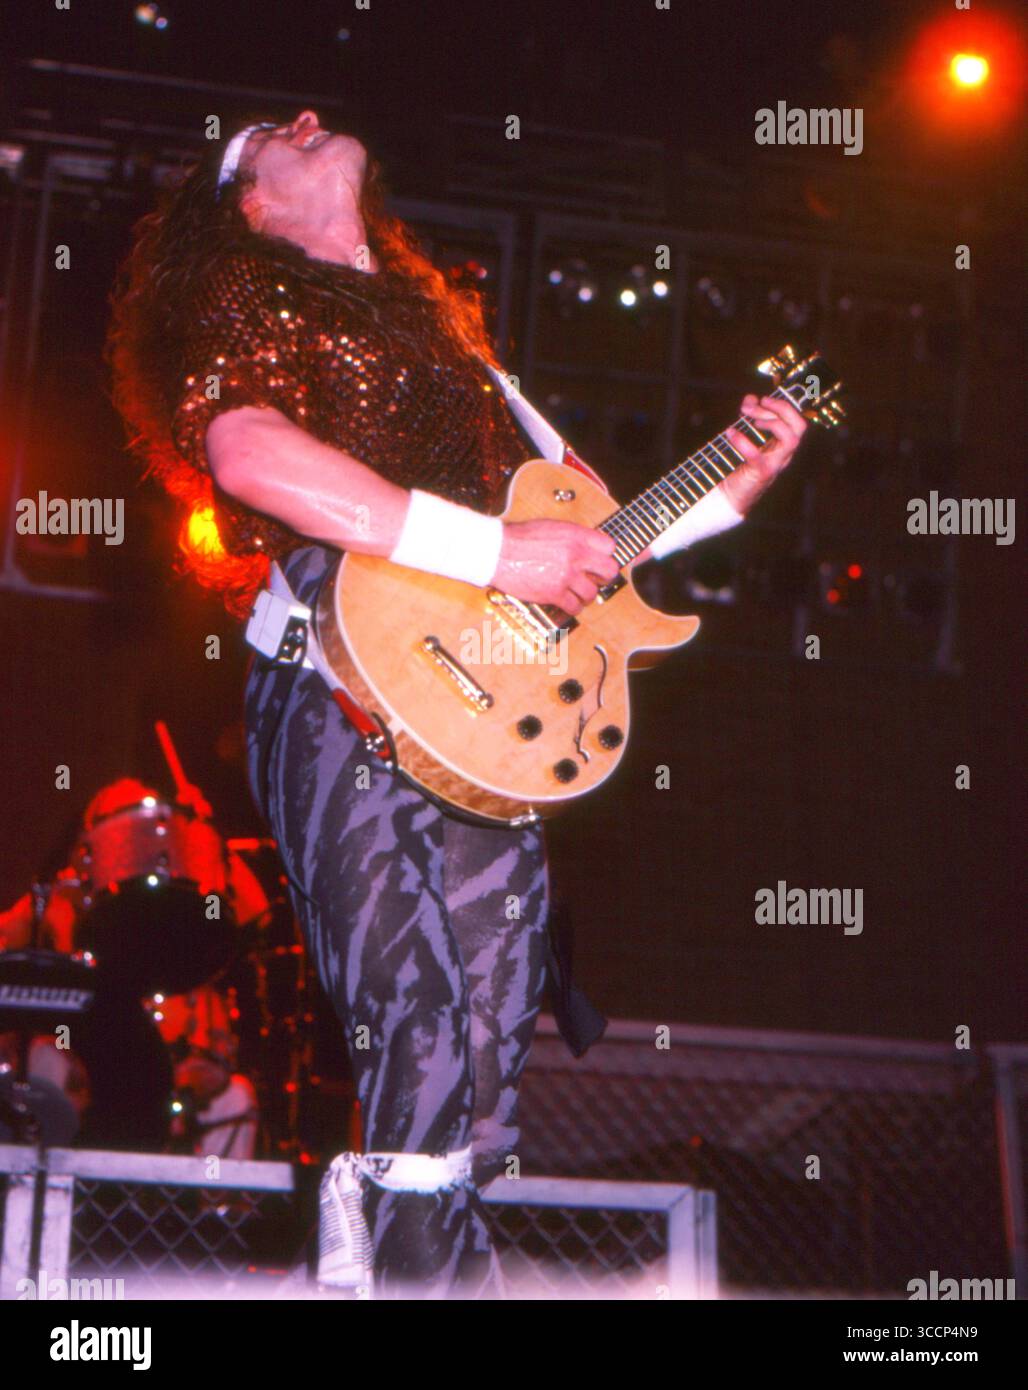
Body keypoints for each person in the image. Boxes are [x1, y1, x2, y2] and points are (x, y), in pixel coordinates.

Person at [105, 112, 808, 1297]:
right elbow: (251, 457)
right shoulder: (239, 286)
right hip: (342, 681)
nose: (308, 117)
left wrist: (726, 491)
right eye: (269, 131)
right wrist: (494, 552)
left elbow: (573, 541)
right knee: (413, 1004)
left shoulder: (445, 332)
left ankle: (388, 1206)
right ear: (250, 205)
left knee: (489, 1035)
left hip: (482, 707)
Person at [0, 778, 261, 1157]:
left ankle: (217, 1213)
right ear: (88, 848)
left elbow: (255, 917)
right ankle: (42, 1195)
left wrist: (210, 839)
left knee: (237, 1096)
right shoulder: (57, 905)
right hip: (80, 1062)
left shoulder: (179, 921)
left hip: (169, 1069)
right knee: (45, 1058)